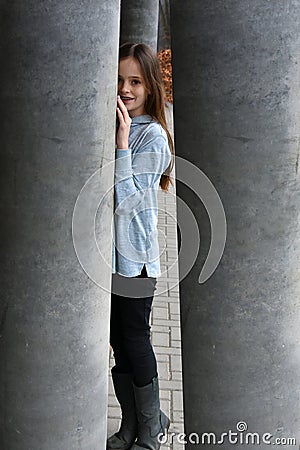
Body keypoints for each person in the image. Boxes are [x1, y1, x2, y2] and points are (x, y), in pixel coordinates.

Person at [107, 42, 174, 450]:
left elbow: (129, 203)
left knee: (135, 338)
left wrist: (121, 145)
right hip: (111, 259)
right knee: (118, 339)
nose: (126, 89)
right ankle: (132, 424)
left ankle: (151, 429)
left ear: (150, 87)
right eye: (119, 80)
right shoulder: (122, 122)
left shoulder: (151, 137)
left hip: (136, 261)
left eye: (135, 81)